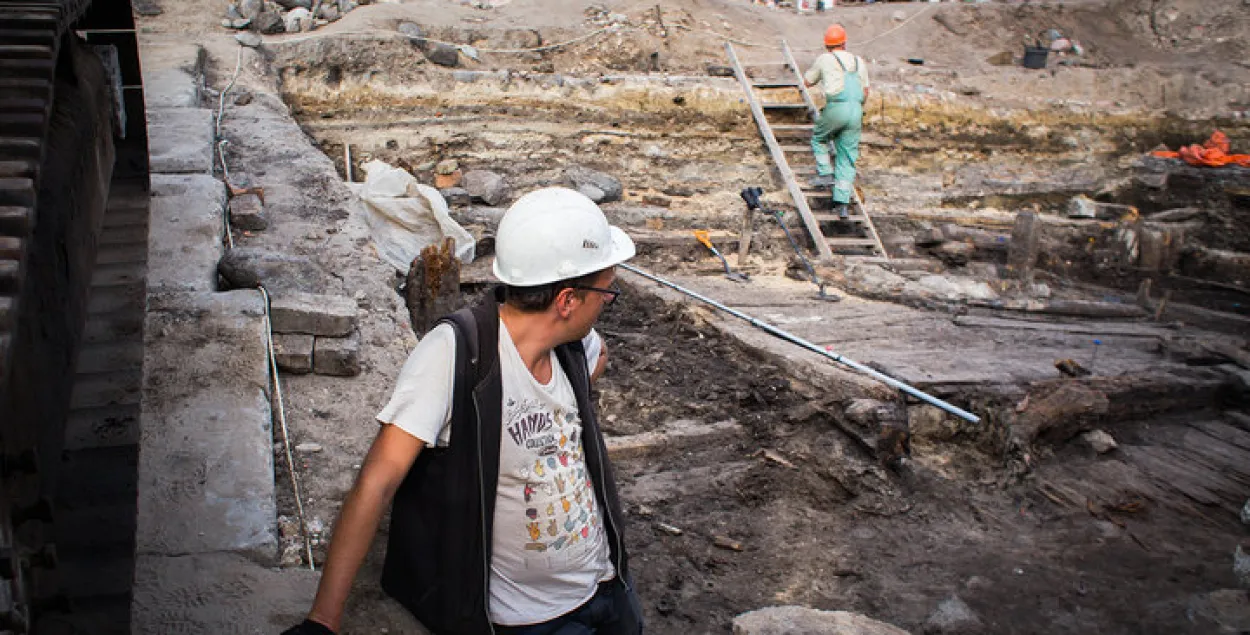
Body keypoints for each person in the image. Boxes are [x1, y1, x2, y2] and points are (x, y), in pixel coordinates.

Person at [282, 187, 643, 635]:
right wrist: (323, 622)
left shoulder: (572, 346)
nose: (608, 301)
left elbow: (598, 354)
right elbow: (377, 482)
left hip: (608, 586)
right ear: (567, 300)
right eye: (605, 291)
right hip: (533, 620)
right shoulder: (456, 354)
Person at [804, 23, 871, 220]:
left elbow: (808, 81)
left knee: (819, 138)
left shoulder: (825, 59)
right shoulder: (859, 61)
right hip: (856, 109)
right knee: (847, 156)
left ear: (827, 45)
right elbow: (866, 90)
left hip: (838, 105)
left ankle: (825, 173)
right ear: (844, 42)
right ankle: (841, 203)